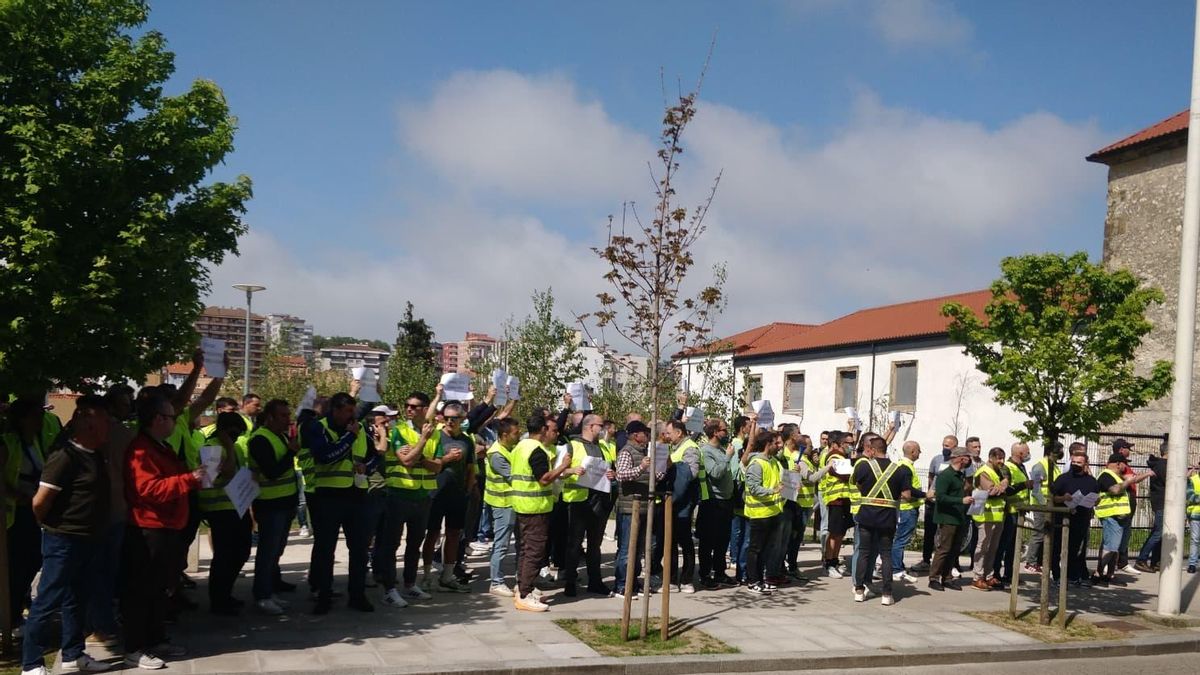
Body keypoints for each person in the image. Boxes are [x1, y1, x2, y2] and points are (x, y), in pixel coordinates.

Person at [19, 396, 112, 675]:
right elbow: (40, 502)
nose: (108, 425)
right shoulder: (64, 457)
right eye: (103, 419)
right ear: (85, 421)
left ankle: (73, 654)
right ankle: (32, 664)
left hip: (89, 538)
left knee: (78, 600)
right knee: (48, 600)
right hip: (63, 540)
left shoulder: (95, 453)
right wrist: (52, 528)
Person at [123, 393, 207, 670]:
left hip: (168, 527)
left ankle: (156, 638)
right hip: (149, 528)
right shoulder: (141, 451)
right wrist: (188, 479)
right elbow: (148, 490)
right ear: (158, 419)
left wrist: (192, 478)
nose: (175, 422)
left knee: (160, 589)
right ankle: (135, 647)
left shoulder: (161, 448)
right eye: (171, 417)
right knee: (143, 590)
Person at [302, 392, 377, 614]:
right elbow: (325, 456)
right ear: (334, 410)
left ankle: (357, 594)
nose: (351, 416)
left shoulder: (358, 428)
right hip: (329, 496)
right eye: (347, 412)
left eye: (353, 412)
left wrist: (368, 467)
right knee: (326, 549)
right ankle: (323, 596)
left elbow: (376, 455)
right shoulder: (319, 427)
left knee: (359, 549)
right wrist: (349, 437)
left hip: (357, 495)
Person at [379, 392, 441, 605]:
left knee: (415, 543)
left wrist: (420, 457)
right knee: (391, 544)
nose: (409, 409)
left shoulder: (435, 433)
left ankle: (409, 584)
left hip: (423, 496)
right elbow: (405, 461)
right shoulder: (399, 431)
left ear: (425, 409)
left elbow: (438, 466)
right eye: (407, 405)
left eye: (414, 406)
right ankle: (389, 589)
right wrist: (422, 442)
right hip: (399, 494)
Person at [513, 415, 572, 612]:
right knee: (534, 551)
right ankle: (525, 594)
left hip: (523, 505)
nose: (556, 434)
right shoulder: (536, 450)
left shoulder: (521, 446)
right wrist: (563, 466)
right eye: (553, 430)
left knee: (525, 549)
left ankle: (522, 586)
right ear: (543, 429)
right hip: (535, 507)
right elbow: (544, 479)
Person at [246, 400, 300, 614]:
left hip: (285, 502)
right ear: (269, 417)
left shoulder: (281, 436)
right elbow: (272, 471)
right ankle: (262, 595)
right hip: (270, 504)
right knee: (267, 552)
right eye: (283, 416)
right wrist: (291, 453)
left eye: (288, 415)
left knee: (276, 551)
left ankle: (270, 590)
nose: (288, 420)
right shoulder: (260, 439)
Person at [2, 399, 50, 636]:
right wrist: (18, 496)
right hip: (13, 516)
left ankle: (15, 612)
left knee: (32, 561)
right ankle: (8, 619)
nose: (40, 420)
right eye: (35, 416)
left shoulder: (36, 443)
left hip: (31, 512)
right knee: (16, 567)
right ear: (22, 419)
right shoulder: (8, 443)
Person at [198, 411, 252, 616]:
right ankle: (219, 600)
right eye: (233, 434)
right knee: (224, 557)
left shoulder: (234, 446)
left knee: (241, 552)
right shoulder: (211, 447)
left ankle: (226, 593)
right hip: (219, 509)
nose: (236, 438)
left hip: (235, 506)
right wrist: (228, 445)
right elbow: (226, 472)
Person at [852, 436, 915, 606]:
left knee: (864, 552)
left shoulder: (864, 466)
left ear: (872, 450)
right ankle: (887, 594)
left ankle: (859, 590)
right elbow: (907, 496)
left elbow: (858, 485)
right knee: (886, 554)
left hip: (866, 516)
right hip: (887, 518)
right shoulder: (899, 469)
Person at [421, 395, 475, 593]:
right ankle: (427, 576)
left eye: (455, 418)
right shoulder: (435, 436)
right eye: (447, 417)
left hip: (457, 496)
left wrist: (468, 490)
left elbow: (471, 469)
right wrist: (446, 458)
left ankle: (447, 575)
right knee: (432, 533)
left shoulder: (467, 440)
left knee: (453, 534)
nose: (450, 421)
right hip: (435, 494)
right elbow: (426, 463)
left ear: (462, 419)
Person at [560, 413, 617, 597]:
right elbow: (558, 472)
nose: (603, 429)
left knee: (595, 545)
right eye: (600, 425)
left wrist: (610, 475)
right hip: (577, 501)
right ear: (590, 426)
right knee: (574, 544)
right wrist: (571, 470)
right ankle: (570, 581)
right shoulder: (572, 445)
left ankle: (595, 581)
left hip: (598, 501)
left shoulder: (601, 447)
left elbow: (608, 469)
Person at [614, 420, 668, 596]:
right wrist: (641, 467)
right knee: (627, 549)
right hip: (630, 508)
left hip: (645, 507)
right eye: (645, 433)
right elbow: (621, 475)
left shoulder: (646, 452)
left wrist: (663, 467)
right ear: (636, 435)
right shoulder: (626, 452)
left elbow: (654, 477)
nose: (648, 436)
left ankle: (634, 583)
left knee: (638, 550)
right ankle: (622, 585)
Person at [1094, 452, 1153, 585]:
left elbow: (1133, 479)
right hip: (1111, 516)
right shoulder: (1106, 475)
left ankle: (1110, 574)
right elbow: (1115, 490)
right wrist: (1128, 481)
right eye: (1124, 464)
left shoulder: (1116, 476)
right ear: (1118, 464)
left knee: (1114, 548)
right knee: (1110, 547)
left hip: (1119, 517)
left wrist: (1147, 474)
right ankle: (1098, 574)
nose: (1125, 468)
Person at [663, 419, 704, 593]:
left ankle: (687, 579)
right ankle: (671, 579)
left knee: (685, 541)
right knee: (670, 541)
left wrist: (675, 467)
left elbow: (691, 473)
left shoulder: (690, 448)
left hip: (684, 502)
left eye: (669, 433)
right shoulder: (676, 447)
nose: (667, 436)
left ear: (679, 433)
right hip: (673, 500)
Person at [1051, 449, 1100, 587]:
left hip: (1082, 519)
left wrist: (1096, 501)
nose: (1076, 464)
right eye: (1073, 462)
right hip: (1063, 519)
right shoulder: (1063, 479)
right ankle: (1057, 576)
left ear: (1085, 464)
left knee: (1076, 550)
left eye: (1079, 462)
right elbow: (1052, 497)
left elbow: (1095, 496)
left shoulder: (1091, 481)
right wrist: (1063, 498)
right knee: (1057, 548)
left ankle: (1073, 576)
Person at [743, 431, 784, 595]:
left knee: (766, 549)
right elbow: (753, 488)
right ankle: (752, 580)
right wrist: (772, 491)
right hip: (759, 513)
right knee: (755, 549)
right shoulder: (757, 463)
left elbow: (779, 481)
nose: (779, 446)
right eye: (777, 443)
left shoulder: (773, 462)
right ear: (768, 444)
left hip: (772, 512)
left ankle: (761, 579)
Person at [698, 419, 737, 588]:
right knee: (708, 540)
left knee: (722, 540)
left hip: (726, 501)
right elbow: (715, 473)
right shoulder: (706, 451)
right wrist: (728, 457)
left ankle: (719, 572)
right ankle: (705, 574)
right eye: (723, 430)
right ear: (715, 432)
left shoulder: (721, 449)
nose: (726, 433)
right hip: (713, 502)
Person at [484, 418, 521, 597]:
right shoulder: (496, 454)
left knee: (520, 544)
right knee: (502, 544)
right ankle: (496, 582)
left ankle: (520, 579)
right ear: (504, 435)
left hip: (513, 503)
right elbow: (515, 476)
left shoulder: (509, 449)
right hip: (503, 504)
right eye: (515, 433)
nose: (518, 435)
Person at [929, 448, 975, 591]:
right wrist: (961, 500)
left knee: (954, 550)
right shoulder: (946, 475)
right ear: (961, 458)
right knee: (944, 548)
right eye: (968, 457)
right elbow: (941, 497)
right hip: (947, 517)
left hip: (958, 517)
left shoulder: (959, 475)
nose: (970, 461)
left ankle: (947, 577)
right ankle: (934, 578)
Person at [913, 435, 957, 574]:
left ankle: (950, 564)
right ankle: (926, 560)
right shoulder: (936, 459)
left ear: (955, 447)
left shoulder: (958, 462)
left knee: (947, 534)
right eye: (944, 445)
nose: (945, 448)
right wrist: (929, 494)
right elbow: (931, 477)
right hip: (933, 502)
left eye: (948, 446)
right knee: (929, 531)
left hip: (948, 502)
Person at [970, 447, 1009, 590]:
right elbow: (992, 491)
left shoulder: (997, 471)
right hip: (984, 515)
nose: (1001, 461)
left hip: (997, 516)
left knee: (993, 548)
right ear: (991, 457)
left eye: (1003, 458)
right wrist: (1003, 484)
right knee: (983, 547)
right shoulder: (983, 472)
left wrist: (1002, 485)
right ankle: (977, 577)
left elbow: (1000, 487)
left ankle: (988, 575)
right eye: (998, 458)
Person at [993, 442, 1029, 586]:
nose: (1028, 454)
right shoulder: (1007, 468)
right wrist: (1024, 485)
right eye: (1027, 452)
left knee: (1014, 546)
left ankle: (1010, 574)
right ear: (1020, 453)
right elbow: (1006, 490)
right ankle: (995, 573)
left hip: (1019, 510)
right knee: (1003, 544)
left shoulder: (1021, 467)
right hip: (1009, 511)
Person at [1022, 442, 1062, 573]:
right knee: (1038, 533)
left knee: (1047, 534)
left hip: (1051, 505)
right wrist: (1044, 505)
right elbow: (1036, 489)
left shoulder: (1054, 466)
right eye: (1059, 451)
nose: (1061, 453)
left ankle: (1040, 561)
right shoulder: (1040, 467)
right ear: (1051, 452)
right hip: (1041, 505)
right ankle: (1030, 561)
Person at [819, 431, 854, 578]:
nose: (851, 446)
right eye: (848, 443)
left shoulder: (844, 457)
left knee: (840, 533)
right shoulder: (834, 456)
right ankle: (829, 562)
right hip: (835, 500)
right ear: (839, 444)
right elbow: (843, 474)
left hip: (844, 499)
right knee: (834, 533)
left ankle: (834, 560)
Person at [891, 441, 926, 583]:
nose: (920, 453)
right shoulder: (905, 468)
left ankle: (898, 566)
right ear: (912, 452)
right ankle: (897, 569)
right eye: (919, 450)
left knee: (899, 539)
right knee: (901, 540)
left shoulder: (900, 465)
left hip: (904, 508)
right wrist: (925, 495)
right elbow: (908, 491)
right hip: (907, 509)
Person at [1134, 442, 1169, 573]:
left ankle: (1155, 561)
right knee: (1158, 532)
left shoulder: (1159, 465)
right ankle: (1141, 559)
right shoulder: (1163, 465)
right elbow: (1169, 482)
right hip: (1162, 503)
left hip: (1161, 502)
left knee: (1160, 532)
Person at [1186, 467, 1200, 574]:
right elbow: (1190, 496)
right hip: (1195, 514)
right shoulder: (1193, 479)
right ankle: (1192, 564)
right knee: (1195, 539)